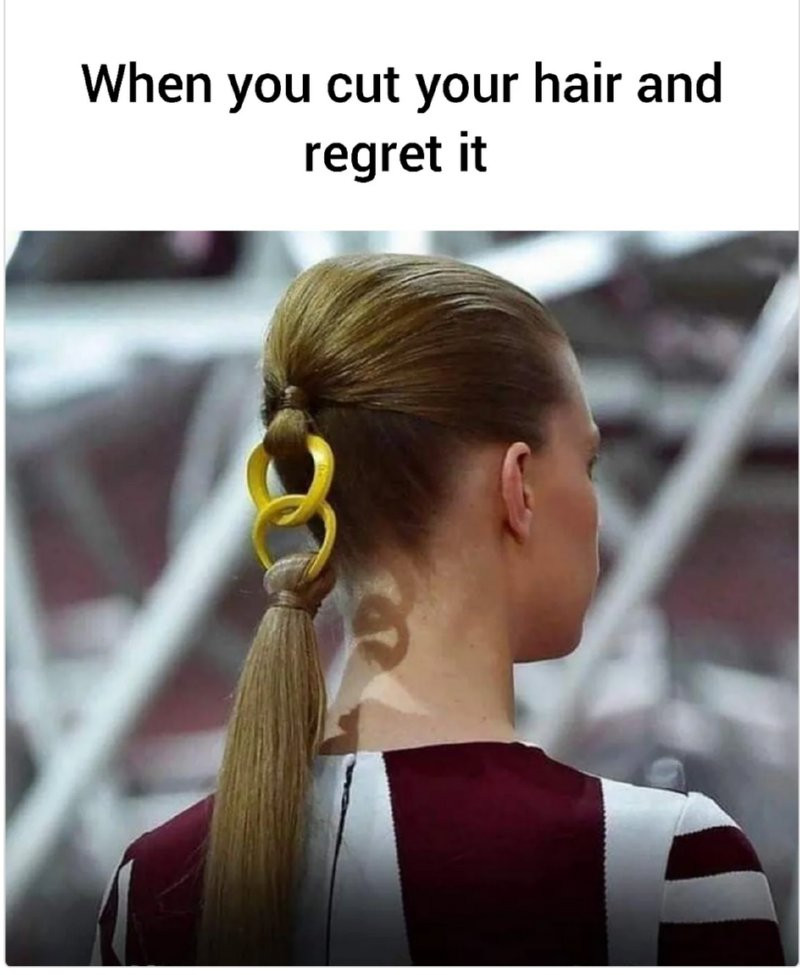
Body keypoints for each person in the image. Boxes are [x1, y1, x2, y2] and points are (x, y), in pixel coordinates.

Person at [92, 254, 785, 965]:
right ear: (518, 486)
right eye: (587, 464)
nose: (595, 506)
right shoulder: (670, 869)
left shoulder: (154, 887)